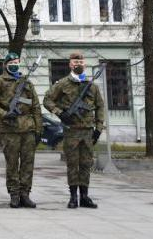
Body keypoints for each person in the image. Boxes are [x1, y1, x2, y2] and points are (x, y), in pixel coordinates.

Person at [44, 51, 105, 209]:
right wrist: (61, 114)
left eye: (81, 62)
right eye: (75, 62)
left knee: (86, 164)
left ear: (85, 64)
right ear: (70, 65)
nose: (78, 64)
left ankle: (84, 196)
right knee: (72, 165)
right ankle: (73, 197)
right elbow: (47, 100)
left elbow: (100, 107)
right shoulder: (62, 84)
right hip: (71, 131)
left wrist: (98, 128)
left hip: (87, 132)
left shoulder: (92, 86)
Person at [0, 51, 42, 208]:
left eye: (17, 62)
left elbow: (35, 106)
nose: (15, 65)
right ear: (6, 65)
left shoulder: (26, 83)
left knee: (28, 164)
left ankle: (25, 194)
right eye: (11, 63)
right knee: (12, 164)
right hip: (10, 130)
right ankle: (14, 195)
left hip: (28, 129)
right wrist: (4, 114)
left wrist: (38, 129)